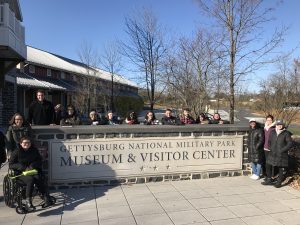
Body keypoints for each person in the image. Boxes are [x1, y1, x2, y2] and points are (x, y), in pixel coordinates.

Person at [9, 136, 52, 211]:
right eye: (25, 142)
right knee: (30, 180)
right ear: (21, 143)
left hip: (32, 170)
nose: (27, 144)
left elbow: (39, 160)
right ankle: (28, 202)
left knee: (39, 178)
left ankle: (46, 198)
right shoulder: (16, 152)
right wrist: (23, 167)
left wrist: (33, 165)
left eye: (28, 142)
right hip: (21, 173)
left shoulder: (34, 150)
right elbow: (11, 164)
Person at [261, 120, 293, 188]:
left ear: (283, 125)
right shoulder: (272, 132)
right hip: (272, 152)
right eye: (278, 124)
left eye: (281, 124)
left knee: (281, 167)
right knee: (268, 164)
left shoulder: (286, 133)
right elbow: (269, 141)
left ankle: (279, 182)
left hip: (281, 154)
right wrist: (270, 148)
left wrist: (282, 150)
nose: (279, 126)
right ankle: (269, 179)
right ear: (276, 125)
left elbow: (290, 143)